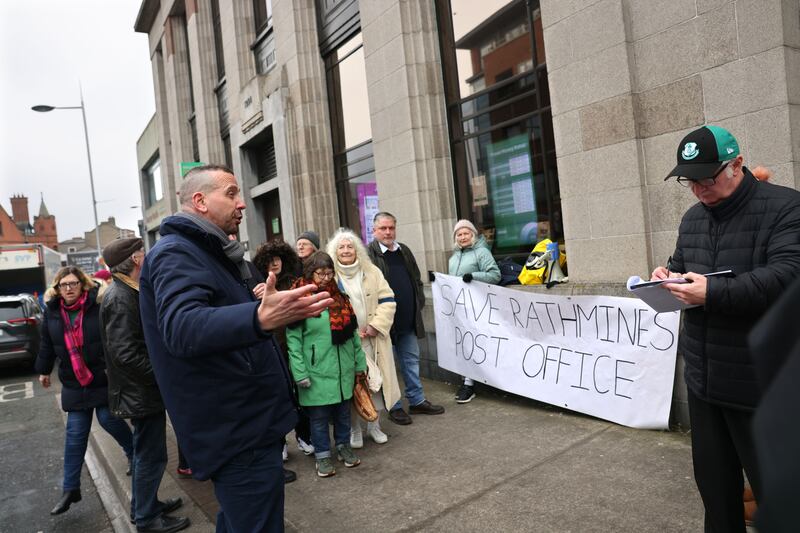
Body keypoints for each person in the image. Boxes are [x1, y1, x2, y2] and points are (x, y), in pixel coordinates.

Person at [139, 164, 333, 533]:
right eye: (230, 193)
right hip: (235, 428)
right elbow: (181, 327)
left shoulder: (215, 254)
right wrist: (258, 318)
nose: (242, 203)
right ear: (199, 201)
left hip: (248, 422)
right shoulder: (176, 253)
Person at [653, 125, 800, 533]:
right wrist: (667, 276)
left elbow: (788, 277)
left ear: (736, 163)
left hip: (761, 388)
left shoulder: (787, 208)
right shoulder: (693, 218)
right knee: (717, 498)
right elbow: (683, 264)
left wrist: (712, 292)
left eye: (707, 177)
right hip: (705, 382)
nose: (699, 188)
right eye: (690, 179)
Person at [99, 237, 189, 532]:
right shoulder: (120, 297)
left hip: (141, 390)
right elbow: (125, 354)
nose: (146, 255)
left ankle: (144, 507)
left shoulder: (128, 291)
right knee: (151, 456)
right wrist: (161, 373)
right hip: (140, 392)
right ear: (136, 260)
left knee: (147, 453)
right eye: (143, 252)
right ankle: (148, 519)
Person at [35, 266, 133, 516]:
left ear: (83, 285)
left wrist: (115, 367)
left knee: (108, 419)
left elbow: (113, 338)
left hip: (100, 377)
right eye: (63, 285)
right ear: (57, 289)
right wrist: (44, 370)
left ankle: (133, 452)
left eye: (73, 284)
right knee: (76, 432)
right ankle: (70, 489)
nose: (68, 289)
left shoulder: (96, 306)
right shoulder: (53, 312)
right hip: (73, 380)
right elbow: (47, 343)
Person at [286, 252, 367, 477]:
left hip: (343, 369)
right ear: (310, 272)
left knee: (342, 414)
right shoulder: (300, 300)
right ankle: (322, 456)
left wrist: (359, 364)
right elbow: (293, 341)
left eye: (329, 273)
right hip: (316, 371)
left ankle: (343, 447)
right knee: (319, 418)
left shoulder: (340, 297)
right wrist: (299, 372)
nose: (325, 278)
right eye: (320, 273)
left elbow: (352, 336)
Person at [367, 212, 445, 424]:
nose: (388, 232)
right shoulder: (368, 254)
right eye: (383, 228)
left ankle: (417, 401)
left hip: (408, 320)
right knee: (387, 367)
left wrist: (417, 302)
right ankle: (394, 406)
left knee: (411, 361)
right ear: (374, 231)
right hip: (384, 324)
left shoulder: (404, 250)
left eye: (391, 227)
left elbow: (417, 279)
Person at [326, 228, 400, 447]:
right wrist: (347, 330)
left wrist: (376, 326)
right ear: (334, 251)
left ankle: (374, 426)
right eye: (341, 247)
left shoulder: (372, 271)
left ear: (357, 249)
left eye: (350, 246)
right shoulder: (330, 276)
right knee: (351, 385)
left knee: (374, 383)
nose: (346, 250)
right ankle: (355, 429)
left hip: (372, 339)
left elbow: (388, 301)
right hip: (346, 342)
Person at [252, 240, 315, 458]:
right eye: (269, 260)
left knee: (301, 396)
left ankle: (304, 436)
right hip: (271, 348)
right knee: (276, 397)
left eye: (277, 259)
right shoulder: (258, 285)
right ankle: (280, 443)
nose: (274, 263)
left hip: (294, 347)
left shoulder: (294, 282)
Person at [445, 219, 500, 403]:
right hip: (459, 308)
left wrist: (473, 276)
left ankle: (468, 384)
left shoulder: (481, 252)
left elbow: (495, 274)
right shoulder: (453, 258)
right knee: (463, 343)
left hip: (477, 307)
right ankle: (465, 381)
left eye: (466, 233)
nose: (462, 237)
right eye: (459, 234)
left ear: (473, 235)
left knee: (473, 343)